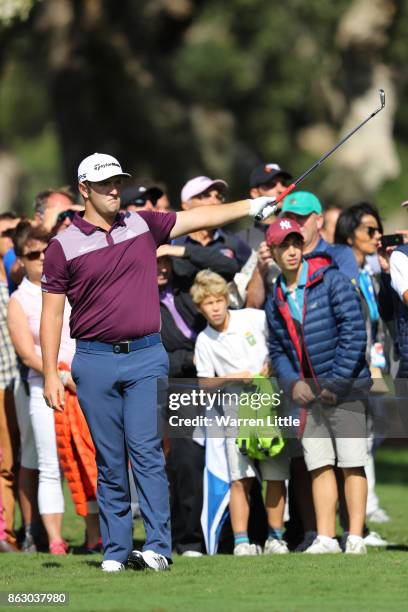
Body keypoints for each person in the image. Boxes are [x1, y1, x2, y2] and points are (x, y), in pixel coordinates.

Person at [39, 152, 276, 573]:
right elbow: (52, 313)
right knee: (110, 459)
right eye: (104, 183)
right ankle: (114, 551)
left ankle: (158, 548)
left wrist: (251, 206)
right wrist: (49, 374)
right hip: (92, 359)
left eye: (117, 181)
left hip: (147, 356)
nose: (114, 188)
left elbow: (199, 218)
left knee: (147, 452)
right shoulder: (62, 247)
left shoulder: (142, 223)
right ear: (84, 190)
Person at [265, 217, 371, 554]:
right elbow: (278, 349)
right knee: (320, 464)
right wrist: (292, 383)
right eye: (284, 245)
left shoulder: (332, 280)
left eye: (296, 243)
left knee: (352, 462)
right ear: (273, 251)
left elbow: (354, 333)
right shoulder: (276, 296)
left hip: (345, 390)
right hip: (309, 398)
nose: (292, 250)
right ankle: (326, 538)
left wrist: (335, 384)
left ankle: (354, 537)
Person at [8, 224, 100, 554]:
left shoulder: (73, 287)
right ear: (20, 260)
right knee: (50, 465)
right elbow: (27, 354)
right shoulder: (19, 300)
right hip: (45, 387)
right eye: (34, 254)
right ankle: (57, 540)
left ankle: (95, 536)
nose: (43, 259)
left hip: (86, 381)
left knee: (90, 457)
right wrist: (59, 377)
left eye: (47, 250)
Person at [191, 270, 289, 555]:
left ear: (226, 300)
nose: (216, 307)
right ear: (201, 308)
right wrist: (233, 377)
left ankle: (275, 538)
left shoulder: (251, 318)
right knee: (240, 478)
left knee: (275, 475)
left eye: (219, 300)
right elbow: (205, 383)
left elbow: (281, 337)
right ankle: (242, 542)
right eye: (209, 303)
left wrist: (273, 363)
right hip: (236, 414)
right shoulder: (205, 340)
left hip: (270, 407)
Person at [281, 191, 359, 283]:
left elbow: (346, 294)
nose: (294, 224)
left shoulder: (340, 255)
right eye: (289, 219)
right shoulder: (281, 260)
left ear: (319, 221)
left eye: (300, 217)